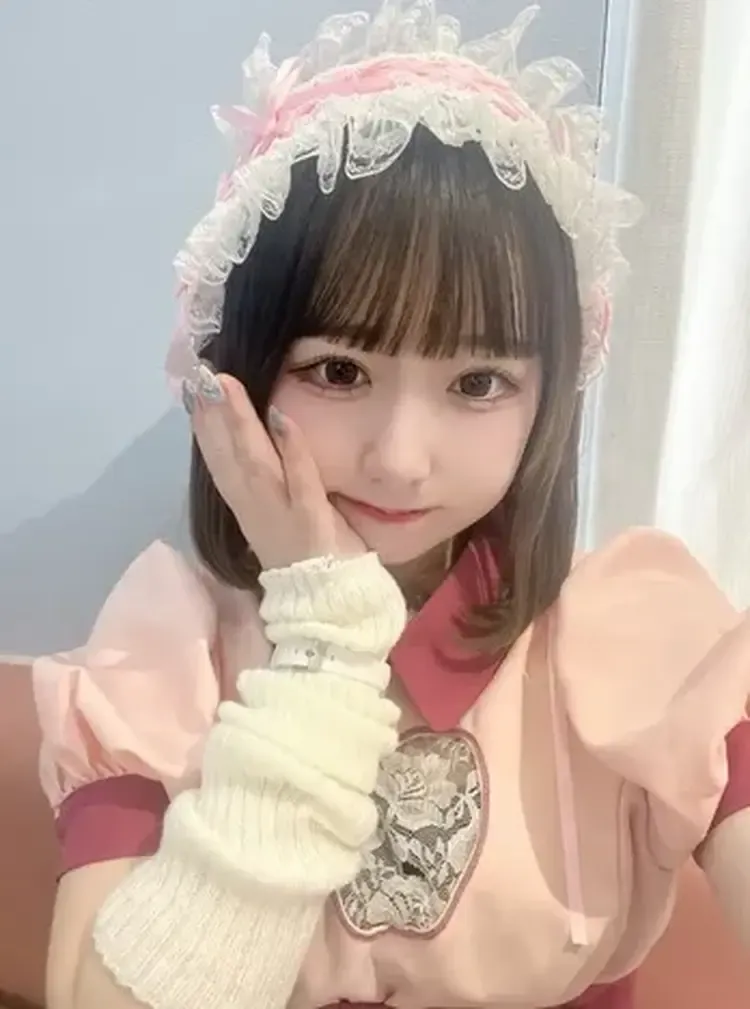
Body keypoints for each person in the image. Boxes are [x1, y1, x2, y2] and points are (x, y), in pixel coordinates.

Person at [33, 3, 750, 1009]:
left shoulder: (630, 629)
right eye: (338, 369)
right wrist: (324, 649)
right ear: (238, 373)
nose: (402, 460)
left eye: (478, 382)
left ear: (550, 397)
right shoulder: (168, 644)